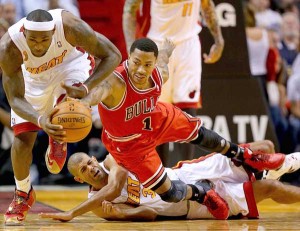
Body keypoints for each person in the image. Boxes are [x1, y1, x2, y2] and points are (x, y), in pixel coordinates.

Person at [38, 37, 285, 222]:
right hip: (129, 143)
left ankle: (243, 156)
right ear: (128, 59)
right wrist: (81, 102)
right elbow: (96, 94)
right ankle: (200, 194)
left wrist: (167, 49)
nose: (141, 70)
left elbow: (164, 60)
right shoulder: (114, 83)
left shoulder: (158, 72)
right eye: (136, 63)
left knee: (203, 135)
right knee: (169, 193)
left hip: (155, 119)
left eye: (147, 64)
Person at [0, 9, 122, 225]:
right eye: (33, 40)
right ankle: (23, 193)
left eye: (44, 40)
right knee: (21, 142)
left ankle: (58, 134)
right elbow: (15, 99)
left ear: (54, 31)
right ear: (24, 32)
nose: (38, 46)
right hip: (32, 80)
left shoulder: (70, 26)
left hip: (70, 68)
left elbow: (113, 55)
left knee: (69, 109)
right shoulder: (9, 46)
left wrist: (86, 88)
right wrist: (39, 121)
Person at [40, 140, 300, 221]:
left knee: (262, 147)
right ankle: (275, 172)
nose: (91, 168)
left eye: (89, 162)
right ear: (78, 178)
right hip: (190, 205)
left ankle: (279, 166)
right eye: (85, 170)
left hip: (185, 173)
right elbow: (150, 214)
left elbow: (115, 186)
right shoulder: (97, 205)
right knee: (269, 187)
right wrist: (121, 214)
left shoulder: (111, 160)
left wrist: (71, 213)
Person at [122, 0, 225, 164]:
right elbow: (129, 9)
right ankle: (159, 172)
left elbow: (207, 5)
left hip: (188, 43)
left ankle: (186, 170)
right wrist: (130, 48)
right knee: (156, 110)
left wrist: (219, 40)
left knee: (187, 108)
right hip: (157, 44)